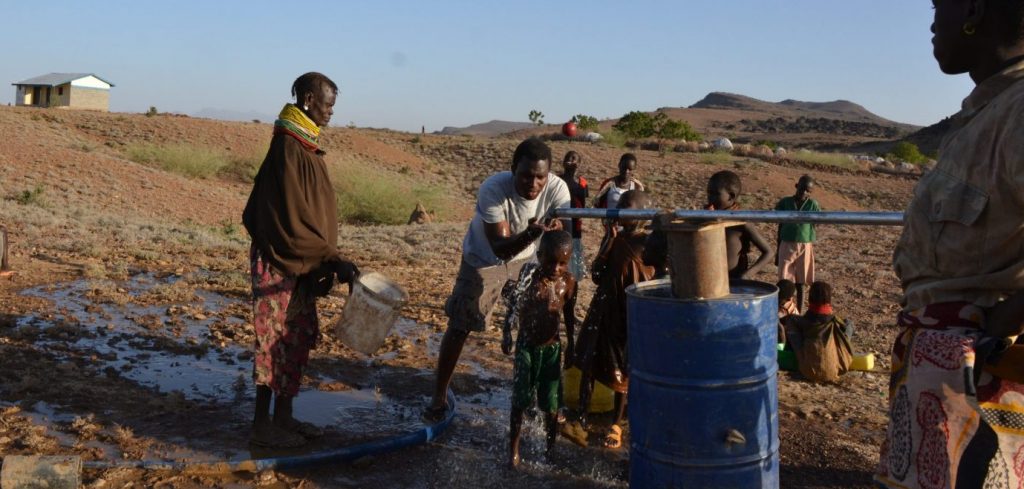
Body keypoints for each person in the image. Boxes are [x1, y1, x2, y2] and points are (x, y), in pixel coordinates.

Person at [876, 2, 1024, 487]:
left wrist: (1006, 321)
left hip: (981, 377)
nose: (933, 21)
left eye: (941, 4)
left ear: (977, 10)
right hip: (943, 374)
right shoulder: (986, 112)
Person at [242, 72, 360, 448]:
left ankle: (285, 419)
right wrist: (330, 257)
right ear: (309, 100)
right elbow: (292, 220)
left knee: (295, 337)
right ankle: (263, 427)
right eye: (327, 105)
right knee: (273, 339)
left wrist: (328, 257)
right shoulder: (289, 149)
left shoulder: (302, 145)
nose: (330, 113)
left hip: (301, 259)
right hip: (281, 259)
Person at [424, 137, 570, 422]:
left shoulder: (558, 189)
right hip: (483, 259)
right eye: (526, 176)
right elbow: (500, 248)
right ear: (513, 168)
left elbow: (562, 240)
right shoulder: (493, 188)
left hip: (526, 261)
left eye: (540, 177)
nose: (533, 184)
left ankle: (533, 397)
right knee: (461, 323)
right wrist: (532, 233)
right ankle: (439, 395)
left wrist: (553, 232)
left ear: (549, 174)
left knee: (537, 326)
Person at [573, 190, 655, 449]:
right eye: (618, 204)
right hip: (603, 309)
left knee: (623, 371)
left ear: (643, 211)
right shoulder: (614, 239)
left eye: (625, 205)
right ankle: (581, 417)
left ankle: (616, 424)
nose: (619, 209)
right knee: (590, 361)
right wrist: (608, 242)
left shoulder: (649, 243)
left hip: (628, 312)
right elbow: (597, 275)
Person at [502, 231, 577, 468]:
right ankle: (513, 450)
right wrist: (506, 332)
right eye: (550, 261)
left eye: (562, 263)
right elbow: (513, 305)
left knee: (551, 404)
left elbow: (569, 317)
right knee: (520, 399)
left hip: (552, 349)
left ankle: (550, 448)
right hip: (526, 346)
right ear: (539, 255)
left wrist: (572, 345)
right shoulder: (528, 275)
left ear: (569, 261)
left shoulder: (569, 282)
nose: (556, 268)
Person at [707, 171, 775, 280]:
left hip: (732, 283)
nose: (710, 198)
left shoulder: (740, 222)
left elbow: (769, 252)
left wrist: (746, 275)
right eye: (709, 193)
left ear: (731, 197)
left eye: (715, 194)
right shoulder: (703, 218)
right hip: (707, 280)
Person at [784, 281, 853, 383]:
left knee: (791, 322)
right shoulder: (834, 322)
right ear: (829, 299)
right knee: (848, 324)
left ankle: (793, 354)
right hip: (837, 369)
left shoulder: (804, 321)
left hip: (807, 369)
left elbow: (802, 322)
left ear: (810, 298)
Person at [775, 175, 820, 312]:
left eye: (807, 191)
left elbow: (815, 224)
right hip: (787, 243)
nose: (804, 193)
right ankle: (783, 309)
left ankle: (799, 312)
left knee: (801, 282)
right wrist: (778, 249)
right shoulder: (785, 202)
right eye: (802, 189)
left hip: (805, 244)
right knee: (785, 281)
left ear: (810, 192)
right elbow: (780, 225)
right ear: (796, 186)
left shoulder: (812, 205)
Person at [559, 151, 589, 281]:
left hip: (576, 222)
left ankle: (574, 279)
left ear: (579, 164)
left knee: (574, 246)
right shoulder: (557, 180)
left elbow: (583, 202)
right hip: (560, 220)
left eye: (574, 158)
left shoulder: (582, 183)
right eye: (567, 157)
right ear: (563, 162)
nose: (570, 160)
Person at [777, 279, 798, 344]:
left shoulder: (788, 310)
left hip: (787, 339)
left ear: (789, 299)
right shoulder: (789, 304)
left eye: (780, 299)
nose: (777, 300)